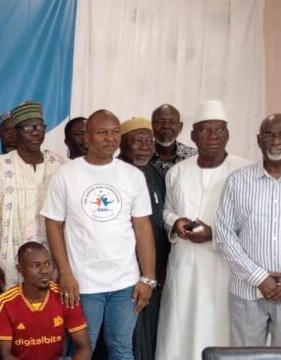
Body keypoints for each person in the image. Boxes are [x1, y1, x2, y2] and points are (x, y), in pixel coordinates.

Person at [42, 110, 156, 360]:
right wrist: (65, 273)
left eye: (115, 132)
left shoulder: (133, 176)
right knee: (82, 349)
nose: (110, 138)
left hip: (125, 283)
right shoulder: (66, 174)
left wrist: (148, 278)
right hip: (82, 284)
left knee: (122, 348)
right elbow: (53, 225)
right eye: (103, 132)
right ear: (88, 137)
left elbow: (143, 227)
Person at [214, 113, 281, 347]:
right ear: (259, 140)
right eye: (269, 135)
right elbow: (224, 234)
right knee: (245, 358)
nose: (275, 141)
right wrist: (259, 277)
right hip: (247, 291)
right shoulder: (237, 180)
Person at [156, 100, 248, 359]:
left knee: (218, 326)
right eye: (205, 130)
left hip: (225, 267)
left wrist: (215, 234)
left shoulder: (244, 171)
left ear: (227, 134)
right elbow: (166, 210)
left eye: (219, 130)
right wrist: (175, 222)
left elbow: (252, 223)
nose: (212, 136)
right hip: (184, 262)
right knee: (179, 327)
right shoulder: (177, 172)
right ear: (193, 135)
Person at [0, 101, 68, 299]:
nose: (35, 132)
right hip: (9, 258)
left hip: (52, 258)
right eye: (29, 127)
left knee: (49, 314)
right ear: (15, 132)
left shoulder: (61, 166)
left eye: (40, 127)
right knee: (11, 314)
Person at [115, 117, 170, 360]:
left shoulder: (158, 174)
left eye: (149, 142)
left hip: (153, 269)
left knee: (150, 329)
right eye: (137, 141)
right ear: (122, 144)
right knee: (124, 335)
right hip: (121, 269)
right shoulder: (113, 172)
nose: (145, 147)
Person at [0, 242, 91, 360]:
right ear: (20, 269)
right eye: (35, 266)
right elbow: (5, 355)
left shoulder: (64, 296)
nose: (44, 270)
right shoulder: (4, 303)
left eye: (48, 264)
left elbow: (85, 347)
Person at [150, 104, 197, 174]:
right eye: (160, 122)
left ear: (180, 127)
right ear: (152, 126)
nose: (165, 126)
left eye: (171, 122)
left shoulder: (193, 156)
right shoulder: (142, 155)